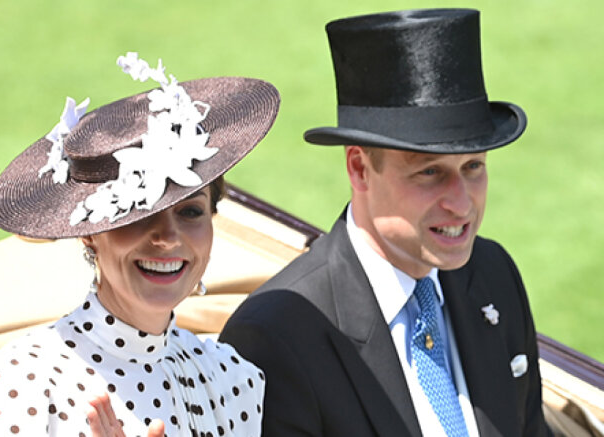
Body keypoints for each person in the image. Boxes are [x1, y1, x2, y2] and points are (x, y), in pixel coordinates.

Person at [220, 9, 552, 437]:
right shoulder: (275, 337)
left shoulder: (492, 274)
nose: (461, 202)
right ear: (359, 168)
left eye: (473, 166)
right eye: (429, 172)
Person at [0, 52, 279, 436]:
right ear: (89, 233)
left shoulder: (235, 380)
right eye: (140, 216)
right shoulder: (23, 381)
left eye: (191, 212)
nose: (167, 238)